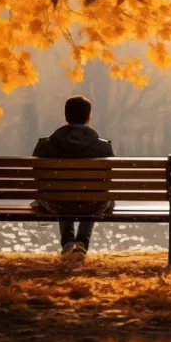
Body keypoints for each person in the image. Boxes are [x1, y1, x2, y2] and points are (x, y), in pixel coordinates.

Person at [31, 95, 115, 256]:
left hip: (55, 203)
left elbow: (38, 179)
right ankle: (82, 241)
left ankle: (68, 242)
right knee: (94, 196)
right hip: (93, 204)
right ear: (88, 118)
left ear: (66, 116)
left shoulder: (44, 147)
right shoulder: (104, 148)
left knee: (61, 194)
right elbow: (108, 183)